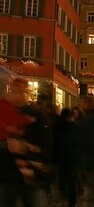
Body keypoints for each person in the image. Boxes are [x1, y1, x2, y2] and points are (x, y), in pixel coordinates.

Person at [0, 78, 37, 207]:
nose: (21, 95)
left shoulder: (33, 114)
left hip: (21, 172)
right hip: (5, 171)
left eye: (24, 93)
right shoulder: (4, 106)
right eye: (17, 92)